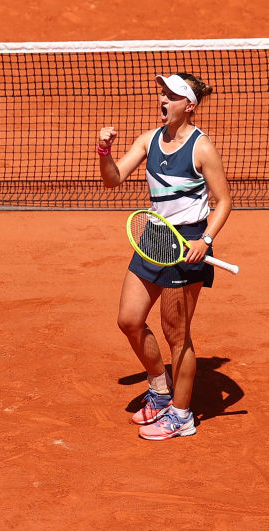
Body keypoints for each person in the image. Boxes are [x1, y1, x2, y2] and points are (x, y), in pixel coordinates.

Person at [97, 73, 232, 440]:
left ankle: (182, 414)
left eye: (172, 95)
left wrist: (205, 239)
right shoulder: (149, 140)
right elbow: (113, 180)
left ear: (189, 106)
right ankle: (159, 390)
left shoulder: (202, 148)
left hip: (188, 243)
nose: (163, 99)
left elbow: (224, 202)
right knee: (129, 320)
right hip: (155, 237)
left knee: (177, 335)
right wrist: (104, 152)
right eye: (163, 93)